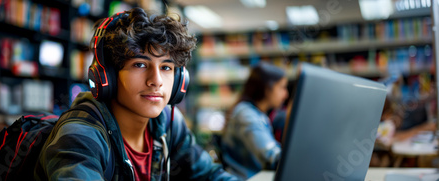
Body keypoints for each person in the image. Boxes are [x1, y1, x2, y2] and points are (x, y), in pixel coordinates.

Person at [35, 8, 238, 180]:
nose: (156, 80)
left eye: (166, 67)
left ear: (179, 80)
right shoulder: (80, 136)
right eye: (140, 64)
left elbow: (210, 174)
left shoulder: (167, 122)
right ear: (107, 76)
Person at [220, 62, 289, 180]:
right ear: (268, 88)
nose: (286, 94)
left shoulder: (256, 112)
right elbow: (272, 157)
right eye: (281, 87)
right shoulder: (247, 115)